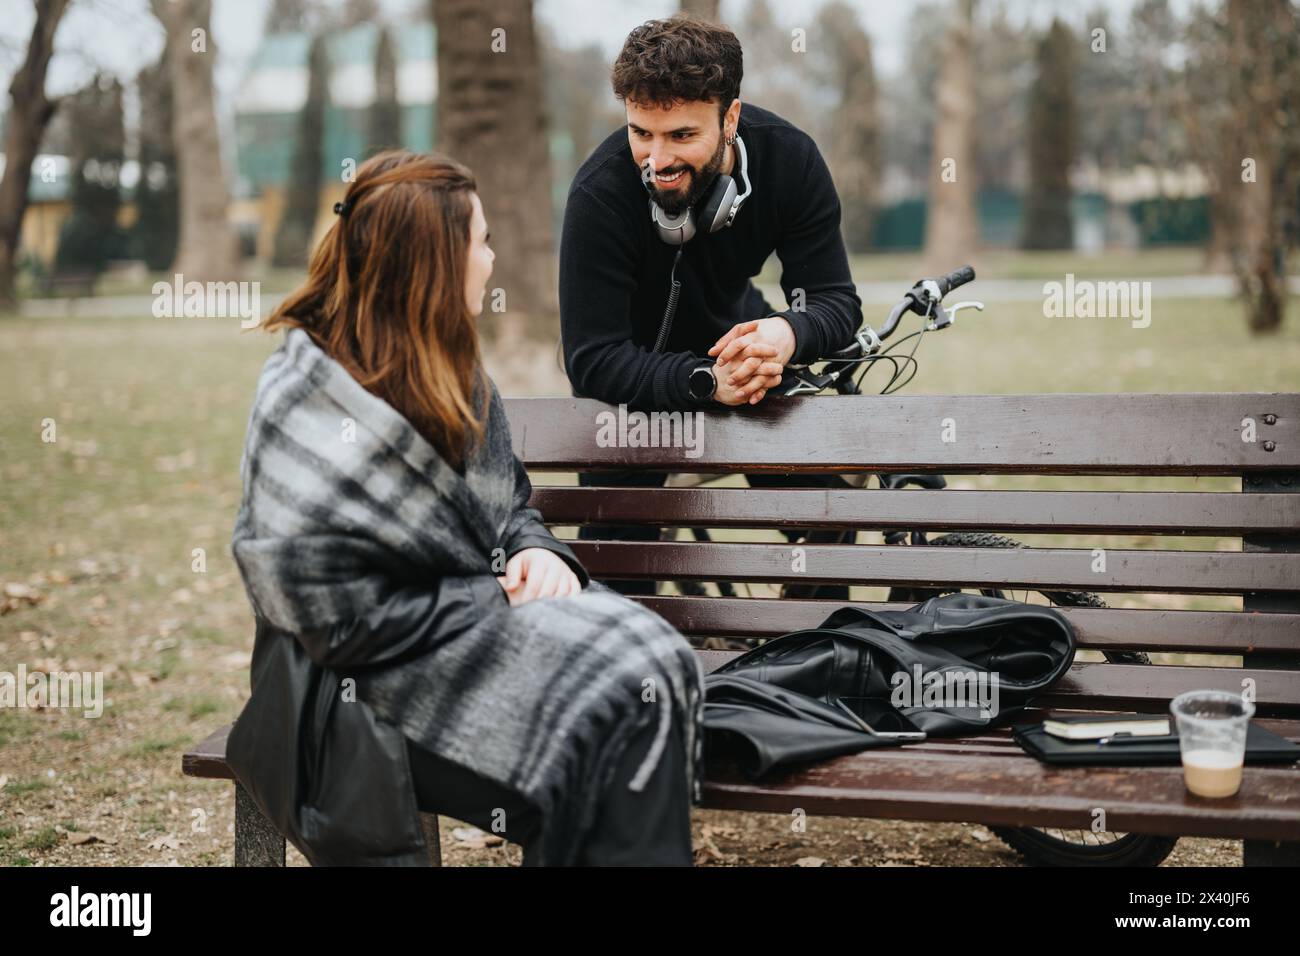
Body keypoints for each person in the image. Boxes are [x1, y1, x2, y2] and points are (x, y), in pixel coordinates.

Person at [224, 150, 705, 867]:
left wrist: (535, 550)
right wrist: (491, 599)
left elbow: (508, 504)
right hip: (348, 699)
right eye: (478, 241)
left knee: (650, 668)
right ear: (432, 261)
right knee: (609, 711)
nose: (491, 257)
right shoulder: (307, 396)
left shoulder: (452, 369)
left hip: (456, 646)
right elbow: (336, 615)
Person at [559, 14, 863, 600]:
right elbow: (592, 358)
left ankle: (811, 660)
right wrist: (704, 380)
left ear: (730, 118)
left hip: (735, 338)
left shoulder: (791, 161)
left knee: (827, 510)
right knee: (616, 571)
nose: (656, 160)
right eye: (640, 133)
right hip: (631, 378)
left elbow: (834, 301)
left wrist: (787, 334)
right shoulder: (599, 194)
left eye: (680, 136)